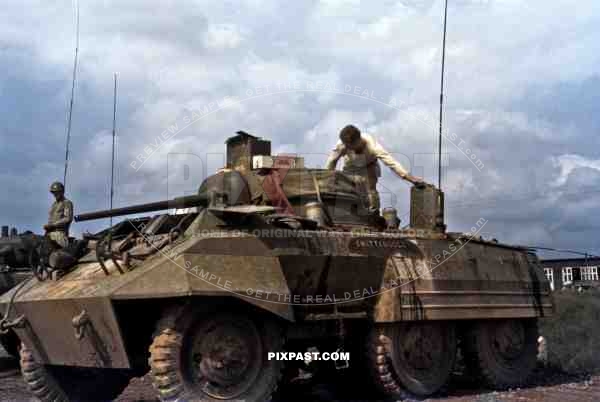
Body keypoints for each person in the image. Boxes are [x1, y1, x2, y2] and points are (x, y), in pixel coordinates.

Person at [325, 124, 423, 212]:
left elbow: (392, 163)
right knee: (346, 189)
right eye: (347, 146)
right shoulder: (342, 145)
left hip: (369, 165)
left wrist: (411, 179)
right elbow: (331, 162)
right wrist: (327, 180)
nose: (348, 148)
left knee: (370, 193)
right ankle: (348, 213)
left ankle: (373, 214)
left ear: (358, 140)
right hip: (350, 167)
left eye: (351, 146)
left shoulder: (373, 146)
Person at [43, 181, 73, 248]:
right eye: (54, 192)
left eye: (57, 192)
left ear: (62, 192)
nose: (55, 194)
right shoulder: (54, 205)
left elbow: (67, 218)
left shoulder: (67, 203)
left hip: (60, 234)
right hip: (49, 234)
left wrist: (53, 225)